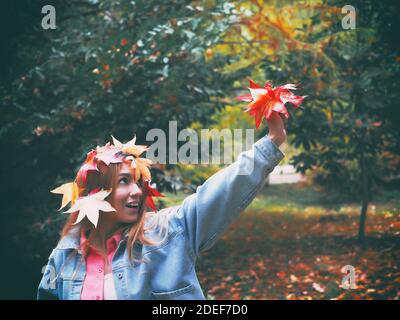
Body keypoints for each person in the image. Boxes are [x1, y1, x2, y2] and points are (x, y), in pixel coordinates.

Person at [37, 112, 286, 300]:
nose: (137, 191)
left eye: (137, 182)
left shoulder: (167, 232)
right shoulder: (63, 257)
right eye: (124, 181)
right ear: (95, 193)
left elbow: (220, 192)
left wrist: (271, 143)